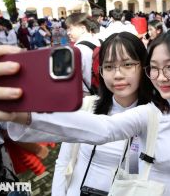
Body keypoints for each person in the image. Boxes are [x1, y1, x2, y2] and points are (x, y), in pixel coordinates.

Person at [0, 30, 170, 196]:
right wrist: (22, 114)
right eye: (154, 68)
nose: (160, 76)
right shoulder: (149, 114)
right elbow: (102, 130)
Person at [52, 32, 150, 196]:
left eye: (127, 64)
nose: (118, 75)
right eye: (109, 67)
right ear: (101, 71)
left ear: (144, 68)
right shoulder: (85, 108)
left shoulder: (153, 118)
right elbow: (63, 161)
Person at [65, 13, 101, 96]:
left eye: (70, 29)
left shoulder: (78, 50)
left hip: (86, 95)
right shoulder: (99, 41)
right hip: (101, 92)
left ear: (82, 29)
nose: (68, 33)